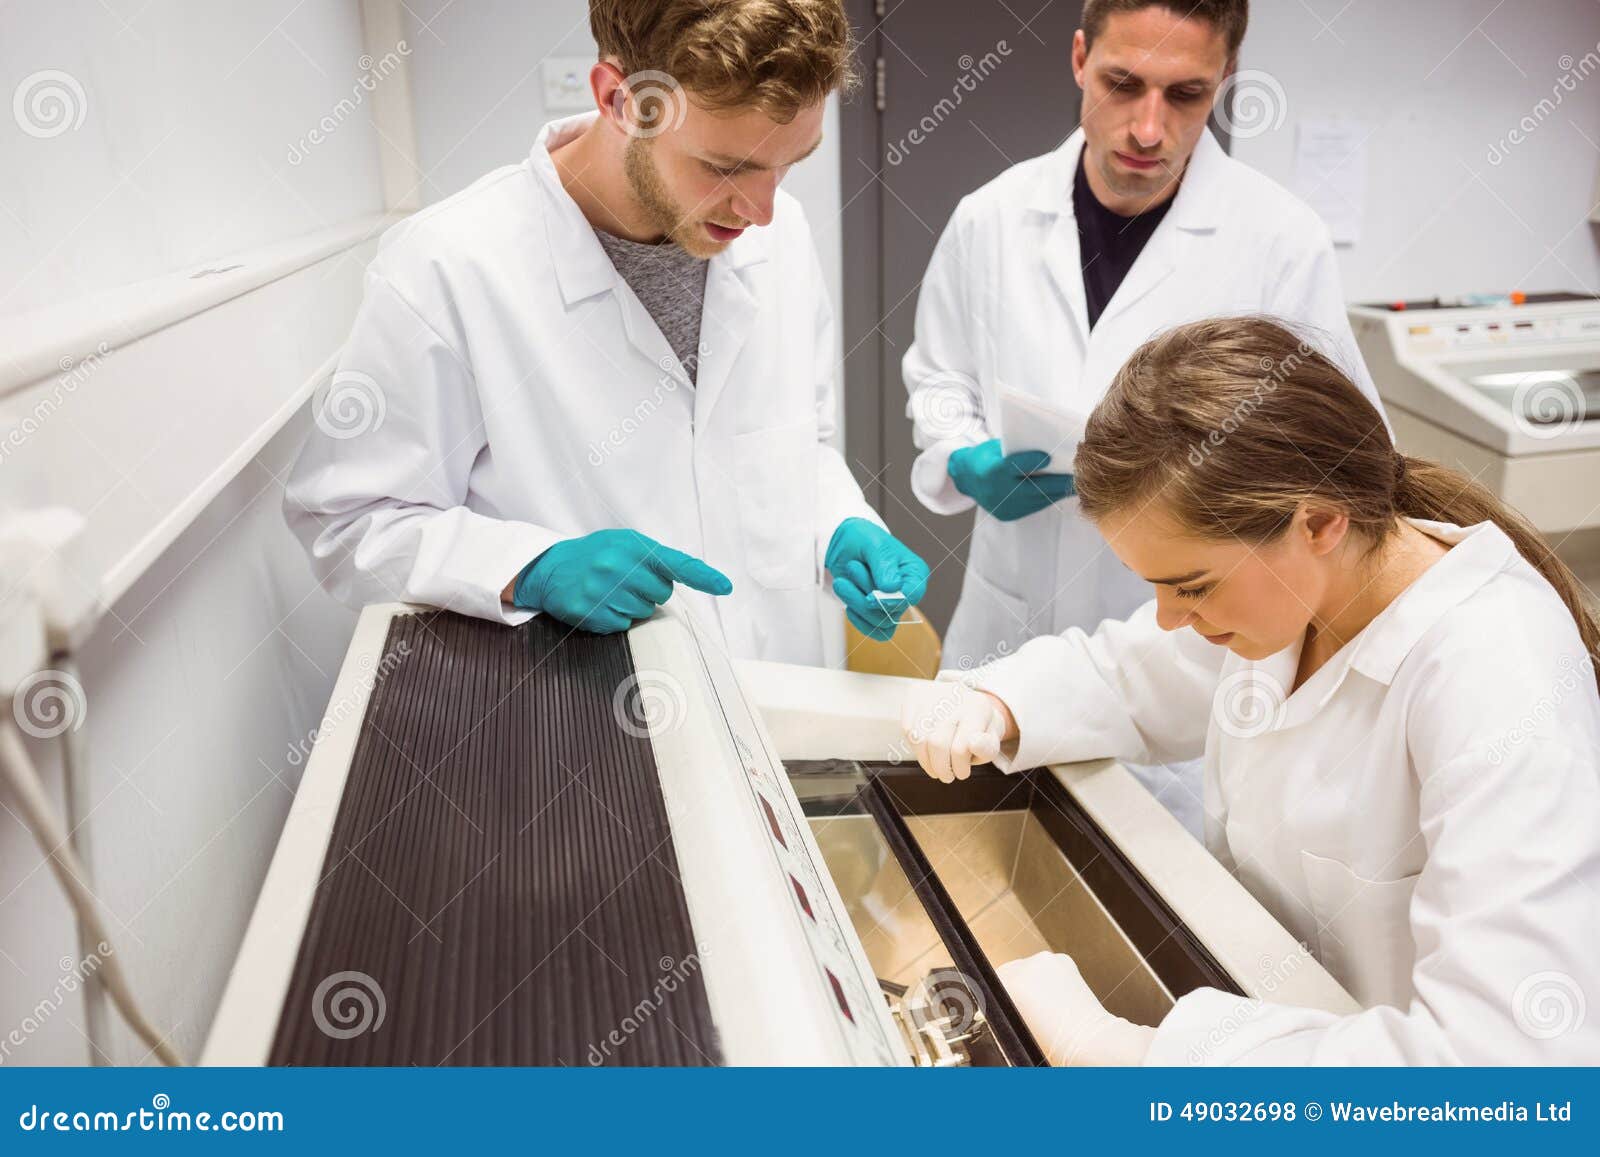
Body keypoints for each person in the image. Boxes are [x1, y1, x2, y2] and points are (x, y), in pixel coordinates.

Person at [899, 317, 1600, 1065]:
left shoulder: (1496, 674)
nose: (1169, 617)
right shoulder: (1306, 593)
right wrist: (996, 700)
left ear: (1320, 522)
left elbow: (1509, 1067)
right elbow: (1128, 674)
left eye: (1191, 585)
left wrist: (1133, 1058)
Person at [283, 0, 927, 664]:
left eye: (790, 162)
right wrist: (529, 566)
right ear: (620, 99)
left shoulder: (781, 236)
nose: (762, 211)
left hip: (785, 707)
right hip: (587, 727)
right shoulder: (448, 266)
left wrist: (840, 521)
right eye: (725, 168)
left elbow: (799, 441)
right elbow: (346, 519)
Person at [904, 0, 1384, 671]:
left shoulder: (1281, 242)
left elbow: (1346, 461)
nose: (1148, 128)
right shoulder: (990, 218)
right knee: (982, 759)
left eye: (1187, 94)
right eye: (1122, 84)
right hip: (1006, 629)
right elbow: (938, 378)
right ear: (1079, 59)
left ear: (1227, 76)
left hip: (1185, 656)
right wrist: (960, 454)